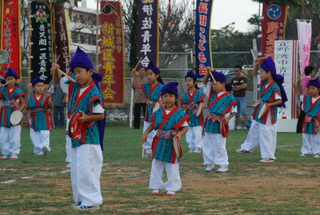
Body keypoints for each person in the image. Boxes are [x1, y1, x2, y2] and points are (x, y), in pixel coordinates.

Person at [51, 47, 105, 211]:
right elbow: (56, 81)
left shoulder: (94, 92)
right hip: (75, 135)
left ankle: (91, 201)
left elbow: (100, 115)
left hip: (88, 137)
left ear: (90, 72)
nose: (77, 75)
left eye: (80, 71)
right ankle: (81, 199)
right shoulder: (74, 86)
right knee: (76, 169)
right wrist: (55, 71)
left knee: (86, 169)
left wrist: (84, 118)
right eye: (74, 72)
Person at [236, 57, 287, 163]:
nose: (260, 74)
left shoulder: (275, 87)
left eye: (262, 72)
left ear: (269, 73)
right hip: (260, 111)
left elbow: (279, 101)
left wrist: (268, 105)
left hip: (268, 114)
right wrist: (256, 64)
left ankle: (269, 156)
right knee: (254, 129)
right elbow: (254, 74)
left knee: (267, 133)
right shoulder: (264, 83)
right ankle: (246, 148)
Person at [142, 82, 189, 196]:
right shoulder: (158, 112)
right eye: (165, 96)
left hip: (172, 142)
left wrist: (180, 134)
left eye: (171, 96)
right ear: (161, 98)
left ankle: (172, 187)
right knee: (156, 163)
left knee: (172, 165)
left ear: (176, 98)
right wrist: (146, 133)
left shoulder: (179, 113)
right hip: (159, 141)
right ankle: (155, 186)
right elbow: (153, 125)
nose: (168, 99)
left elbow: (185, 127)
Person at [202, 69, 237, 173]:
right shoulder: (212, 94)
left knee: (219, 145)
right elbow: (204, 82)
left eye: (216, 84)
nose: (214, 86)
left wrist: (227, 118)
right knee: (207, 144)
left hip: (219, 123)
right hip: (209, 123)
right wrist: (208, 73)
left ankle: (223, 165)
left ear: (223, 84)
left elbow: (234, 110)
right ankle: (209, 164)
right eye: (213, 84)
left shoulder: (229, 97)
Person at [132, 61, 164, 157]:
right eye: (147, 74)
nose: (149, 76)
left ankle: (156, 149)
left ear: (157, 75)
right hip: (148, 111)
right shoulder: (146, 86)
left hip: (158, 112)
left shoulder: (161, 87)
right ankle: (148, 150)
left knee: (155, 132)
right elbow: (137, 86)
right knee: (146, 131)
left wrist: (160, 103)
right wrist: (134, 75)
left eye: (151, 74)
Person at [0, 68, 25, 160]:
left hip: (15, 113)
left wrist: (19, 111)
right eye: (8, 79)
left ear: (16, 80)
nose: (9, 81)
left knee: (14, 135)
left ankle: (14, 153)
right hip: (5, 113)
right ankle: (6, 153)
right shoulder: (2, 90)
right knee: (3, 135)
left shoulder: (18, 91)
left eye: (12, 79)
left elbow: (23, 103)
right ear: (5, 80)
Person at [26, 76, 54, 156]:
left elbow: (51, 108)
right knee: (34, 135)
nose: (40, 88)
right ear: (33, 87)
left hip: (44, 117)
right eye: (38, 86)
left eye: (42, 86)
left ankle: (45, 147)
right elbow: (27, 108)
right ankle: (39, 149)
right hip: (34, 117)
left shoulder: (47, 97)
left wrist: (50, 103)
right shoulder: (30, 98)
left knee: (44, 133)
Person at [180, 71, 205, 153]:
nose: (188, 82)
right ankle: (191, 146)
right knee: (189, 131)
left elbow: (202, 104)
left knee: (197, 131)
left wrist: (198, 109)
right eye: (186, 80)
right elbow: (181, 104)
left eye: (190, 80)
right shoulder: (184, 94)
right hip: (188, 115)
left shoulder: (199, 93)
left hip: (196, 116)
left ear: (195, 82)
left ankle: (198, 147)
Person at [300, 78, 320, 157]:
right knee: (306, 136)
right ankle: (306, 151)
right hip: (307, 120)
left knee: (316, 137)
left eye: (313, 88)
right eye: (309, 88)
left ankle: (317, 151)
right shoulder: (306, 98)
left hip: (316, 121)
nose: (311, 90)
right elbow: (301, 97)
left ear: (318, 89)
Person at [294, 66, 317, 133]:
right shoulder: (311, 80)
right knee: (310, 114)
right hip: (309, 99)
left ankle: (299, 129)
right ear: (310, 73)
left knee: (302, 115)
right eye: (313, 71)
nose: (314, 73)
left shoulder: (303, 79)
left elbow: (302, 88)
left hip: (303, 98)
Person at [230, 65, 248, 129]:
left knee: (244, 111)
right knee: (236, 112)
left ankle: (246, 125)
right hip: (235, 97)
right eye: (235, 71)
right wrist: (239, 87)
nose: (236, 72)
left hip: (242, 97)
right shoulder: (233, 79)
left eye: (237, 70)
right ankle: (239, 125)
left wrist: (237, 87)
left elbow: (244, 86)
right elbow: (231, 88)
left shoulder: (244, 79)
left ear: (240, 71)